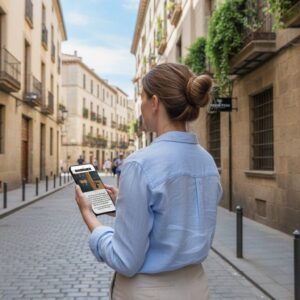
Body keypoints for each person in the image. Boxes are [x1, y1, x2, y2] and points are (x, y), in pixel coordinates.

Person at [74, 63, 222, 300]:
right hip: (197, 287)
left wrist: (88, 215)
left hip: (149, 292)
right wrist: (124, 202)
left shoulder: (140, 164)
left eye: (142, 97)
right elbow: (174, 216)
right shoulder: (207, 162)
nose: (140, 107)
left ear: (154, 103)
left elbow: (125, 259)